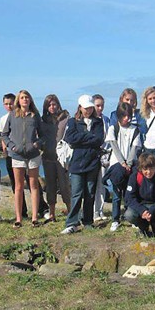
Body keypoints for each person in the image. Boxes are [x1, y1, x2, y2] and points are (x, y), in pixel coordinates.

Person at [61, 95, 104, 234]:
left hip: (92, 162)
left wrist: (83, 139)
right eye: (86, 108)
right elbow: (70, 138)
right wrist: (88, 136)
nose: (89, 110)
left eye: (91, 107)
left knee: (90, 192)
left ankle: (88, 221)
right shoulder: (73, 121)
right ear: (80, 107)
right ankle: (72, 222)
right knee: (77, 193)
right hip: (77, 163)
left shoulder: (98, 122)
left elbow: (98, 139)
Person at [2, 90, 44, 228]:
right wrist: (12, 146)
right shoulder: (13, 115)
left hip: (33, 155)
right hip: (17, 155)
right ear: (18, 101)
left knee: (34, 186)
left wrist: (37, 144)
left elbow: (42, 135)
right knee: (19, 187)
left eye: (27, 97)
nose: (25, 100)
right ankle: (18, 218)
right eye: (22, 98)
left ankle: (34, 217)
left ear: (30, 100)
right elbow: (5, 134)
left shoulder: (35, 115)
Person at [105, 102, 142, 232]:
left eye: (129, 115)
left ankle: (130, 217)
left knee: (130, 192)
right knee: (116, 194)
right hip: (116, 164)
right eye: (124, 115)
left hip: (130, 165)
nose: (126, 118)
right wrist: (122, 163)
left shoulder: (135, 130)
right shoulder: (113, 128)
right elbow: (114, 146)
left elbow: (135, 148)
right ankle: (115, 219)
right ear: (119, 115)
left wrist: (129, 163)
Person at [124, 152, 155, 237]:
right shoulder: (134, 177)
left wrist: (152, 211)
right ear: (140, 168)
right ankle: (143, 227)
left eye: (151, 168)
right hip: (141, 205)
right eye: (145, 169)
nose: (149, 172)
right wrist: (142, 211)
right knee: (129, 215)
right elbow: (129, 198)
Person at [41, 94, 71, 222]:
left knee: (65, 186)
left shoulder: (66, 119)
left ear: (58, 105)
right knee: (50, 186)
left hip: (62, 158)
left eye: (54, 104)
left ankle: (71, 211)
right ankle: (52, 213)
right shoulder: (43, 121)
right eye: (49, 105)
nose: (52, 107)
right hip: (48, 157)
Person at [0, 93, 28, 217]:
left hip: (24, 154)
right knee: (16, 183)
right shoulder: (3, 119)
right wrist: (6, 150)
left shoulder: (20, 115)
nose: (9, 106)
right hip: (10, 155)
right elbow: (3, 136)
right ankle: (22, 211)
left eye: (11, 103)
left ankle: (41, 207)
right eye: (6, 104)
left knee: (31, 181)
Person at [92, 94, 110, 221]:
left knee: (102, 184)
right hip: (92, 156)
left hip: (104, 155)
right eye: (97, 105)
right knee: (91, 184)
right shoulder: (89, 120)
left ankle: (101, 210)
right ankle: (93, 212)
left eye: (102, 105)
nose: (100, 108)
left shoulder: (106, 120)